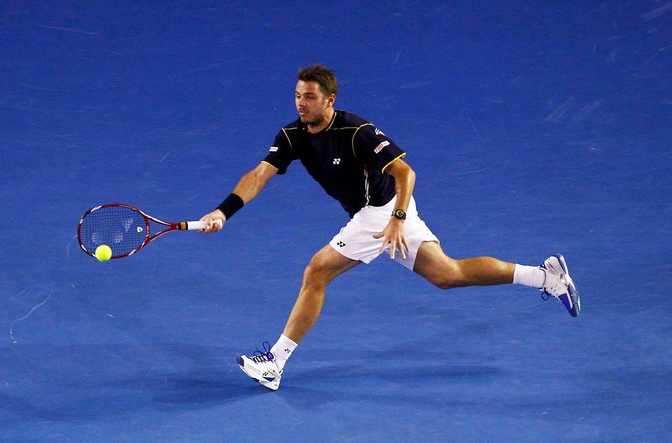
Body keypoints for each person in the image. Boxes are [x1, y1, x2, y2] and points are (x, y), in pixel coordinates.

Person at [199, 64, 580, 391]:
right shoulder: (292, 135)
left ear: (329, 100)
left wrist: (397, 219)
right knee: (448, 274)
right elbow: (259, 175)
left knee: (316, 271)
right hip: (383, 212)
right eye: (298, 95)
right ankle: (545, 277)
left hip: (381, 213)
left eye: (310, 97)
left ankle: (274, 363)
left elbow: (405, 172)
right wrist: (223, 212)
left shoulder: (357, 131)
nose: (301, 103)